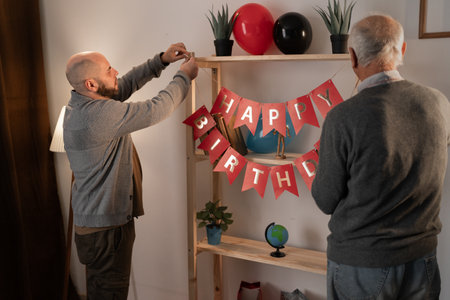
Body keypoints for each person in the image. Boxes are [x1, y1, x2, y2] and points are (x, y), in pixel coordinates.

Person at [311, 15, 450, 299]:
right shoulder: (439, 103)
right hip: (422, 260)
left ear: (352, 56)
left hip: (361, 265)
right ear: (403, 50)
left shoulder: (342, 118)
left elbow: (325, 199)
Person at [63, 43, 198, 299]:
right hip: (107, 232)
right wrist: (184, 76)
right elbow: (156, 109)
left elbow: (121, 86)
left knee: (101, 292)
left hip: (97, 226)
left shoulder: (82, 104)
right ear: (91, 84)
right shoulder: (98, 116)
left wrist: (161, 60)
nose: (115, 71)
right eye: (108, 69)